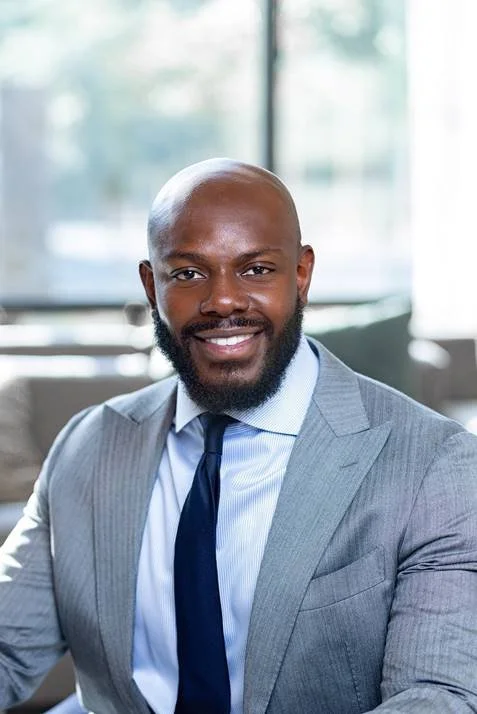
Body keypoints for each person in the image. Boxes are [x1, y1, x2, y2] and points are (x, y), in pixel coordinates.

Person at [0, 158, 477, 714]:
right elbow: (8, 648)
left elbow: (434, 698)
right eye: (188, 273)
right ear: (151, 286)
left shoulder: (434, 465)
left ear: (301, 275)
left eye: (255, 270)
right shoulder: (89, 445)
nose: (223, 300)